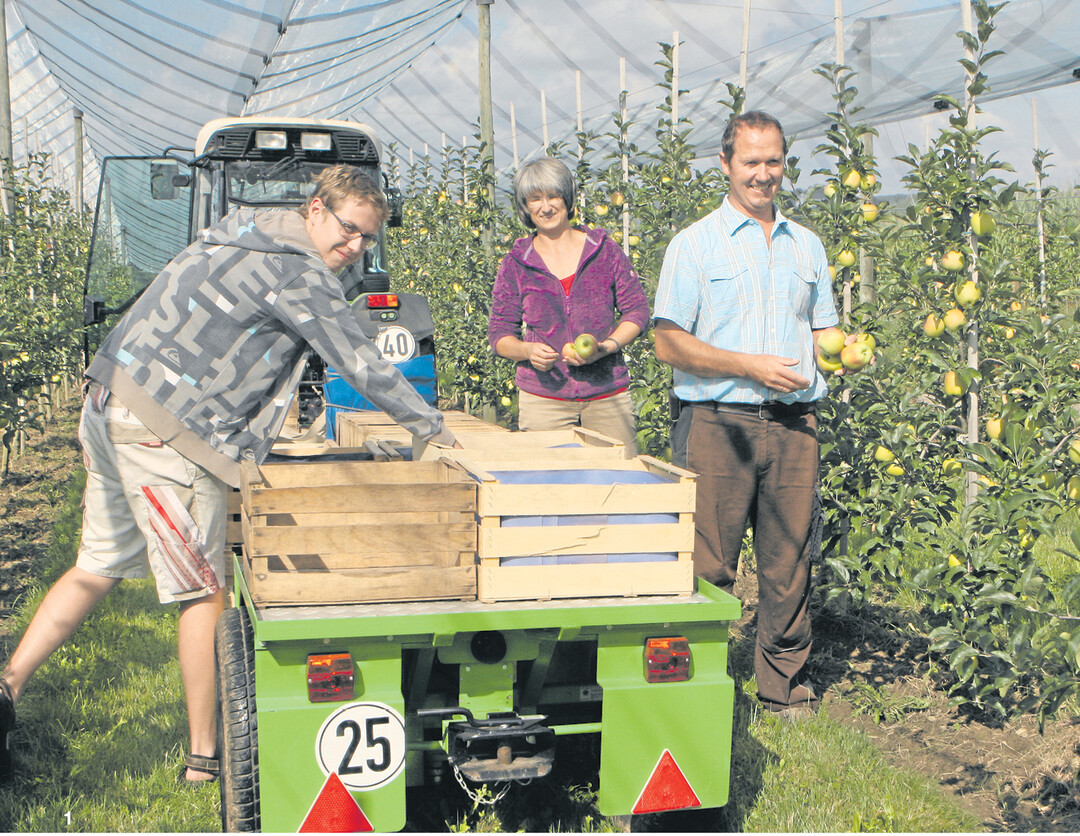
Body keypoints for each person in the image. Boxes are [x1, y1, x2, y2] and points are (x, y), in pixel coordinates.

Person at [0, 165, 458, 783]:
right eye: (348, 230)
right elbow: (360, 361)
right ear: (316, 209)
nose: (353, 248)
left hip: (112, 399)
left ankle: (7, 686)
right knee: (203, 590)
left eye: (367, 239)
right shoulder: (300, 268)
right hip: (167, 429)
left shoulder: (240, 232)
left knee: (98, 563)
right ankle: (203, 759)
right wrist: (431, 426)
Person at [653, 111, 839, 720]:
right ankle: (699, 683)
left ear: (786, 163)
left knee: (789, 558)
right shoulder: (694, 243)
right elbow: (668, 342)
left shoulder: (807, 245)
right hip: (716, 422)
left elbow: (825, 332)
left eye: (773, 161)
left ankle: (783, 687)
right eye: (750, 162)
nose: (763, 174)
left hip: (793, 423)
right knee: (709, 559)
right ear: (726, 164)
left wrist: (844, 352)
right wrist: (748, 365)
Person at [489, 157, 649, 454]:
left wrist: (607, 346)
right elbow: (499, 335)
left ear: (568, 199)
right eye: (535, 199)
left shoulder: (603, 251)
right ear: (525, 206)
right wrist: (527, 351)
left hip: (606, 395)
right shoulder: (516, 264)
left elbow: (636, 311)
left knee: (619, 481)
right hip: (544, 399)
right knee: (551, 488)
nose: (545, 206)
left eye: (553, 196)